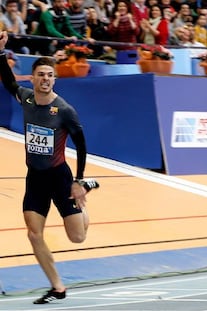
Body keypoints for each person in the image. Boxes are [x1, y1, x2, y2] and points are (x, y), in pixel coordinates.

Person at [0, 31, 99, 304]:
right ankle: (57, 287)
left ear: (54, 79)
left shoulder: (65, 110)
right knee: (34, 234)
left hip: (61, 177)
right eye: (40, 74)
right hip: (35, 178)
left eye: (49, 75)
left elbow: (81, 145)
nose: (45, 79)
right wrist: (0, 53)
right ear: (32, 78)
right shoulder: (27, 99)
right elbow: (8, 83)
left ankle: (85, 202)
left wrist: (78, 180)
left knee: (77, 237)